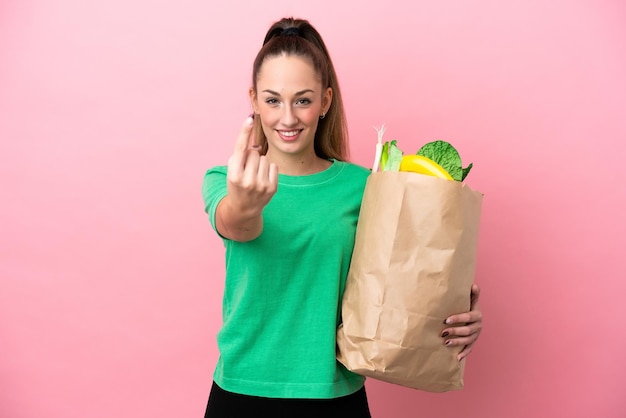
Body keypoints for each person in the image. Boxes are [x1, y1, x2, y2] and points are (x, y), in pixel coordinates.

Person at [201, 17, 483, 418]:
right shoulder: (225, 180)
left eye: (302, 99)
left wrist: (456, 315)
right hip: (242, 392)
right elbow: (237, 225)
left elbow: (403, 282)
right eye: (272, 99)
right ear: (253, 100)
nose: (287, 117)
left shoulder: (367, 187)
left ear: (325, 101)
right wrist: (246, 203)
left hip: (335, 397)